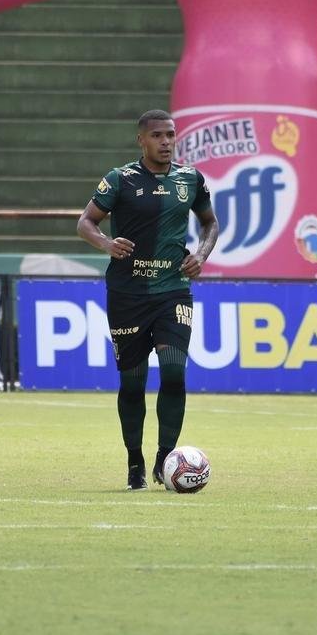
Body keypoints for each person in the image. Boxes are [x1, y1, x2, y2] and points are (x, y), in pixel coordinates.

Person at [77, 109, 220, 491]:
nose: (166, 142)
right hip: (127, 294)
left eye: (171, 134)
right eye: (157, 135)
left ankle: (165, 459)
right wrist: (107, 243)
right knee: (132, 383)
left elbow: (209, 222)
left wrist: (201, 255)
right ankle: (135, 462)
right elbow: (85, 222)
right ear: (141, 140)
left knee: (174, 373)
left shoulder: (190, 179)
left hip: (173, 290)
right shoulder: (119, 180)